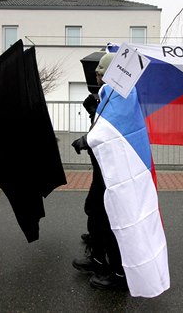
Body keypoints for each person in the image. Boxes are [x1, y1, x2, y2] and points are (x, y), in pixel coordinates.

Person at [70, 53, 127, 290]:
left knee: (107, 220)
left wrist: (86, 139)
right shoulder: (109, 95)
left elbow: (111, 132)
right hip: (102, 170)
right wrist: (94, 111)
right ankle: (96, 258)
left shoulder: (121, 97)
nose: (96, 76)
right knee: (94, 212)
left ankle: (118, 274)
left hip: (113, 173)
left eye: (100, 72)